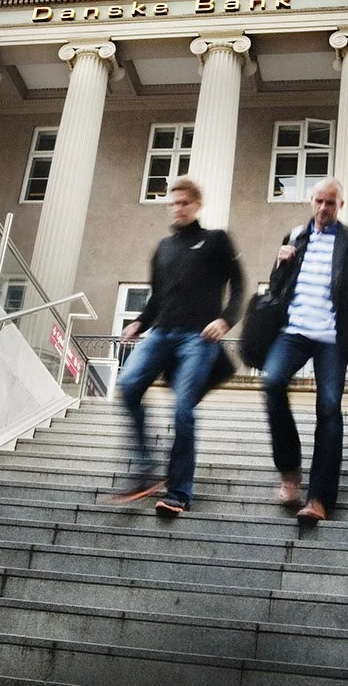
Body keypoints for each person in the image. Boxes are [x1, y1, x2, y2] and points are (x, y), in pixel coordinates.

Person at [258, 177, 348, 526]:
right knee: (272, 382)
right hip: (294, 331)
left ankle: (319, 498)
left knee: (330, 407)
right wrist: (280, 263)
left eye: (330, 202)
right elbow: (276, 289)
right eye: (319, 201)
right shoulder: (294, 237)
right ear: (311, 202)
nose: (323, 208)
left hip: (332, 338)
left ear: (340, 205)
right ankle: (289, 471)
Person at [114, 177, 245, 515]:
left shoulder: (216, 240)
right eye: (173, 204)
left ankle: (179, 492)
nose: (178, 209)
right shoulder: (163, 247)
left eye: (184, 203)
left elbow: (239, 285)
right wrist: (139, 323)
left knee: (184, 408)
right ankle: (145, 466)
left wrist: (225, 320)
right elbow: (158, 297)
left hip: (198, 338)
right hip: (161, 333)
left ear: (197, 205)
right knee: (127, 386)